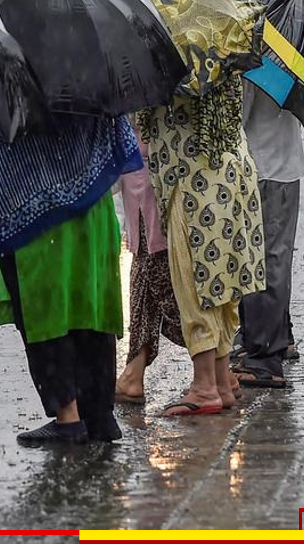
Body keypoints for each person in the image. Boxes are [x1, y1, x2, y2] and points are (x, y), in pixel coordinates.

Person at [0, 115, 141, 444]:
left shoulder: (12, 73)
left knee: (45, 311)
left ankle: (68, 416)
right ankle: (98, 413)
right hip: (92, 205)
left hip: (35, 211)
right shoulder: (91, 71)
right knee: (89, 305)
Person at [138, 75, 267, 413]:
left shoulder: (178, 55)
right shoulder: (222, 42)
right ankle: (222, 380)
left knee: (196, 284)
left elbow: (147, 106)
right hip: (231, 168)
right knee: (222, 284)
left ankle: (204, 385)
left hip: (194, 178)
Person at [233, 82, 304, 385]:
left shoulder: (256, 67)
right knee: (276, 257)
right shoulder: (295, 64)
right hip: (286, 165)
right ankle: (276, 337)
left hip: (261, 169)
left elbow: (237, 119)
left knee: (261, 262)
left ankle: (264, 359)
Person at [114, 124, 185, 405]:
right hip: (144, 186)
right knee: (144, 280)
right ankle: (134, 371)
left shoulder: (145, 89)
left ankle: (215, 361)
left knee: (162, 283)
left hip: (154, 187)